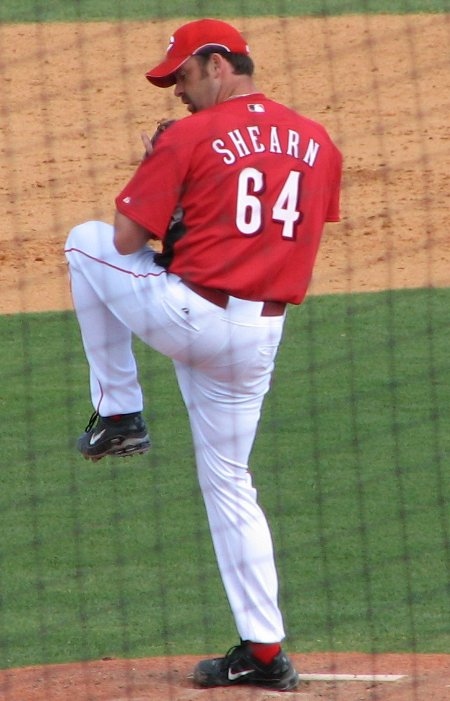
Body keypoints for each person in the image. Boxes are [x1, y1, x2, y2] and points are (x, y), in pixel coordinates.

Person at [65, 18, 342, 691]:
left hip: (196, 317)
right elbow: (279, 228)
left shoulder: (190, 134)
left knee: (84, 241)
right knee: (230, 483)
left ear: (217, 64)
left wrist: (165, 162)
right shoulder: (318, 141)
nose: (178, 95)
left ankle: (121, 412)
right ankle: (265, 653)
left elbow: (128, 242)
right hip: (260, 340)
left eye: (183, 77)